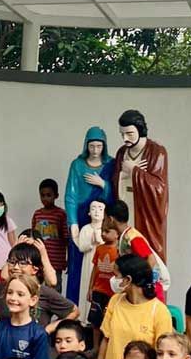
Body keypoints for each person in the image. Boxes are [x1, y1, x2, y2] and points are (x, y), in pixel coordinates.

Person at [96, 254, 172, 359]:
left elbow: (161, 353)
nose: (113, 280)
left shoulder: (159, 311)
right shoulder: (115, 300)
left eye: (116, 275)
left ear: (128, 280)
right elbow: (106, 338)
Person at [111, 109, 169, 261]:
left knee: (146, 253)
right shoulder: (121, 152)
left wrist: (134, 171)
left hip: (145, 213)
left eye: (129, 133)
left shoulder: (157, 152)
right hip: (126, 207)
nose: (125, 138)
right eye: (122, 134)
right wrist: (124, 174)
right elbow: (115, 178)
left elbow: (159, 188)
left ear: (140, 130)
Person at [64, 126, 114, 303]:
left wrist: (103, 184)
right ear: (86, 145)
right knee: (77, 263)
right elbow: (70, 196)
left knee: (103, 262)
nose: (95, 150)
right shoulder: (77, 165)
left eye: (99, 146)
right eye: (91, 146)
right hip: (81, 215)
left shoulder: (110, 165)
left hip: (102, 219)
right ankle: (74, 307)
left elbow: (116, 194)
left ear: (104, 146)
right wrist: (74, 223)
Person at [0, 242, 76, 337]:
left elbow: (74, 311)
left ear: (35, 269)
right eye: (12, 262)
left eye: (23, 263)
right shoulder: (2, 288)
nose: (16, 267)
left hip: (35, 346)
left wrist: (48, 329)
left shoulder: (44, 292)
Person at [106, 200, 166, 299]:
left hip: (149, 293)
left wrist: (139, 283)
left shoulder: (133, 238)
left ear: (111, 219)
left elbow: (151, 260)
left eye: (105, 219)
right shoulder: (125, 236)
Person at [88, 217, 119, 359]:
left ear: (117, 233)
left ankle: (107, 351)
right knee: (95, 321)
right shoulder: (99, 248)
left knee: (110, 322)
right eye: (102, 231)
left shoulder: (119, 250)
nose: (103, 234)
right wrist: (90, 288)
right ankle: (95, 348)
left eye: (107, 231)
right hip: (98, 290)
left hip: (112, 293)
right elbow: (95, 269)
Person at [31, 179, 68, 291]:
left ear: (56, 196)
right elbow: (33, 236)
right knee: (35, 289)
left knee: (54, 290)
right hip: (37, 262)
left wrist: (68, 260)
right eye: (42, 195)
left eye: (49, 195)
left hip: (55, 263)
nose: (45, 198)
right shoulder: (37, 214)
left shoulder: (61, 214)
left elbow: (66, 238)